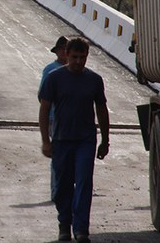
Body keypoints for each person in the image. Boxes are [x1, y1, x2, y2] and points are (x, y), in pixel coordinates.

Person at [38, 37, 110, 243]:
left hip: (85, 140)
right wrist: (45, 141)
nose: (78, 61)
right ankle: (64, 223)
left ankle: (81, 229)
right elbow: (44, 109)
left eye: (82, 57)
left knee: (84, 181)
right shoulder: (54, 78)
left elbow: (102, 109)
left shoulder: (94, 80)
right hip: (61, 140)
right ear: (66, 55)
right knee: (63, 185)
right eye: (75, 57)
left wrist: (105, 140)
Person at [39, 35, 69, 202]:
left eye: (66, 49)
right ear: (57, 52)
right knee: (58, 155)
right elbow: (42, 96)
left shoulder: (74, 70)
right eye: (61, 49)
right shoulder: (50, 70)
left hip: (69, 119)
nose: (64, 52)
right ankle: (56, 191)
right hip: (54, 119)